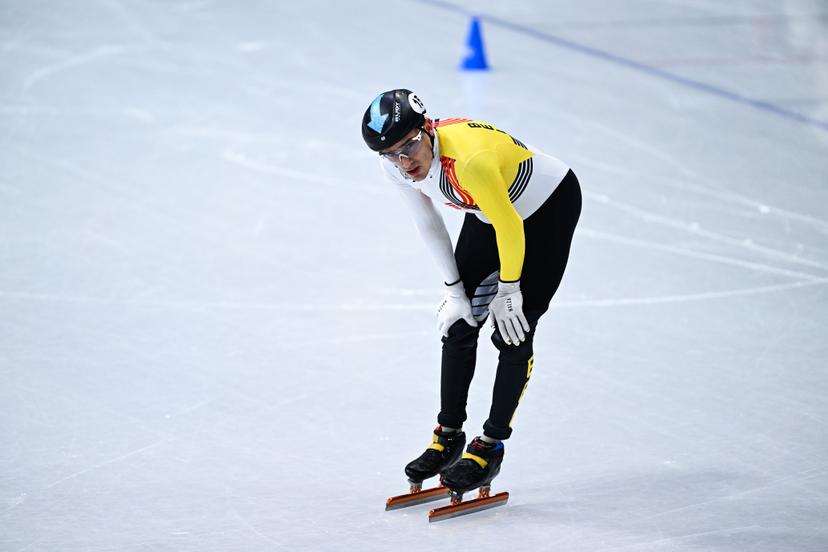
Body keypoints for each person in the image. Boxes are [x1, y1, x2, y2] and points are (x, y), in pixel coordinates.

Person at [361, 89, 581, 495]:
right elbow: (428, 224)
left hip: (547, 208)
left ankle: (490, 445)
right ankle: (448, 435)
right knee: (459, 321)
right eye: (391, 154)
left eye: (409, 146)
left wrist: (511, 288)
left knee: (513, 331)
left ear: (428, 129)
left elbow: (511, 226)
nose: (404, 161)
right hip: (490, 209)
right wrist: (454, 290)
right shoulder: (395, 165)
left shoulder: (470, 161)